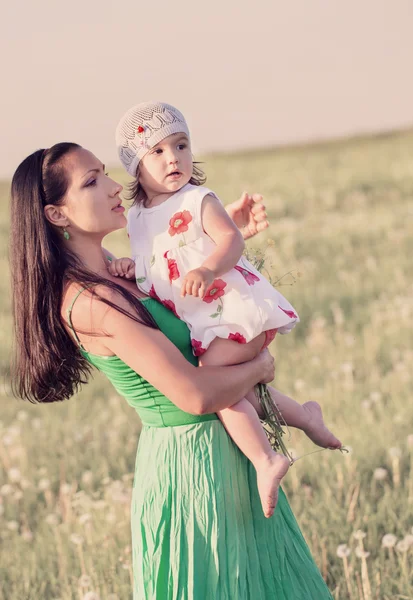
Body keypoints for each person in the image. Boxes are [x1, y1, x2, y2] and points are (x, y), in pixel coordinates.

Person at [10, 142, 335, 599]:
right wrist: (260, 365)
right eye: (91, 181)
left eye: (104, 172)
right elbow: (195, 395)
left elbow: (193, 302)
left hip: (228, 453)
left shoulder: (115, 270)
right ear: (57, 215)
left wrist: (217, 239)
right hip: (190, 470)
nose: (111, 186)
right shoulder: (88, 303)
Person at [114, 102, 341, 517]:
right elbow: (152, 266)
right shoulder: (137, 218)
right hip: (204, 323)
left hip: (233, 310)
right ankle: (306, 417)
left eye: (181, 145)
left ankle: (265, 459)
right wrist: (131, 268)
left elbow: (231, 240)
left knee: (214, 387)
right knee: (240, 390)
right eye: (158, 152)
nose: (174, 159)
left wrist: (207, 266)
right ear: (136, 169)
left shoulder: (197, 199)